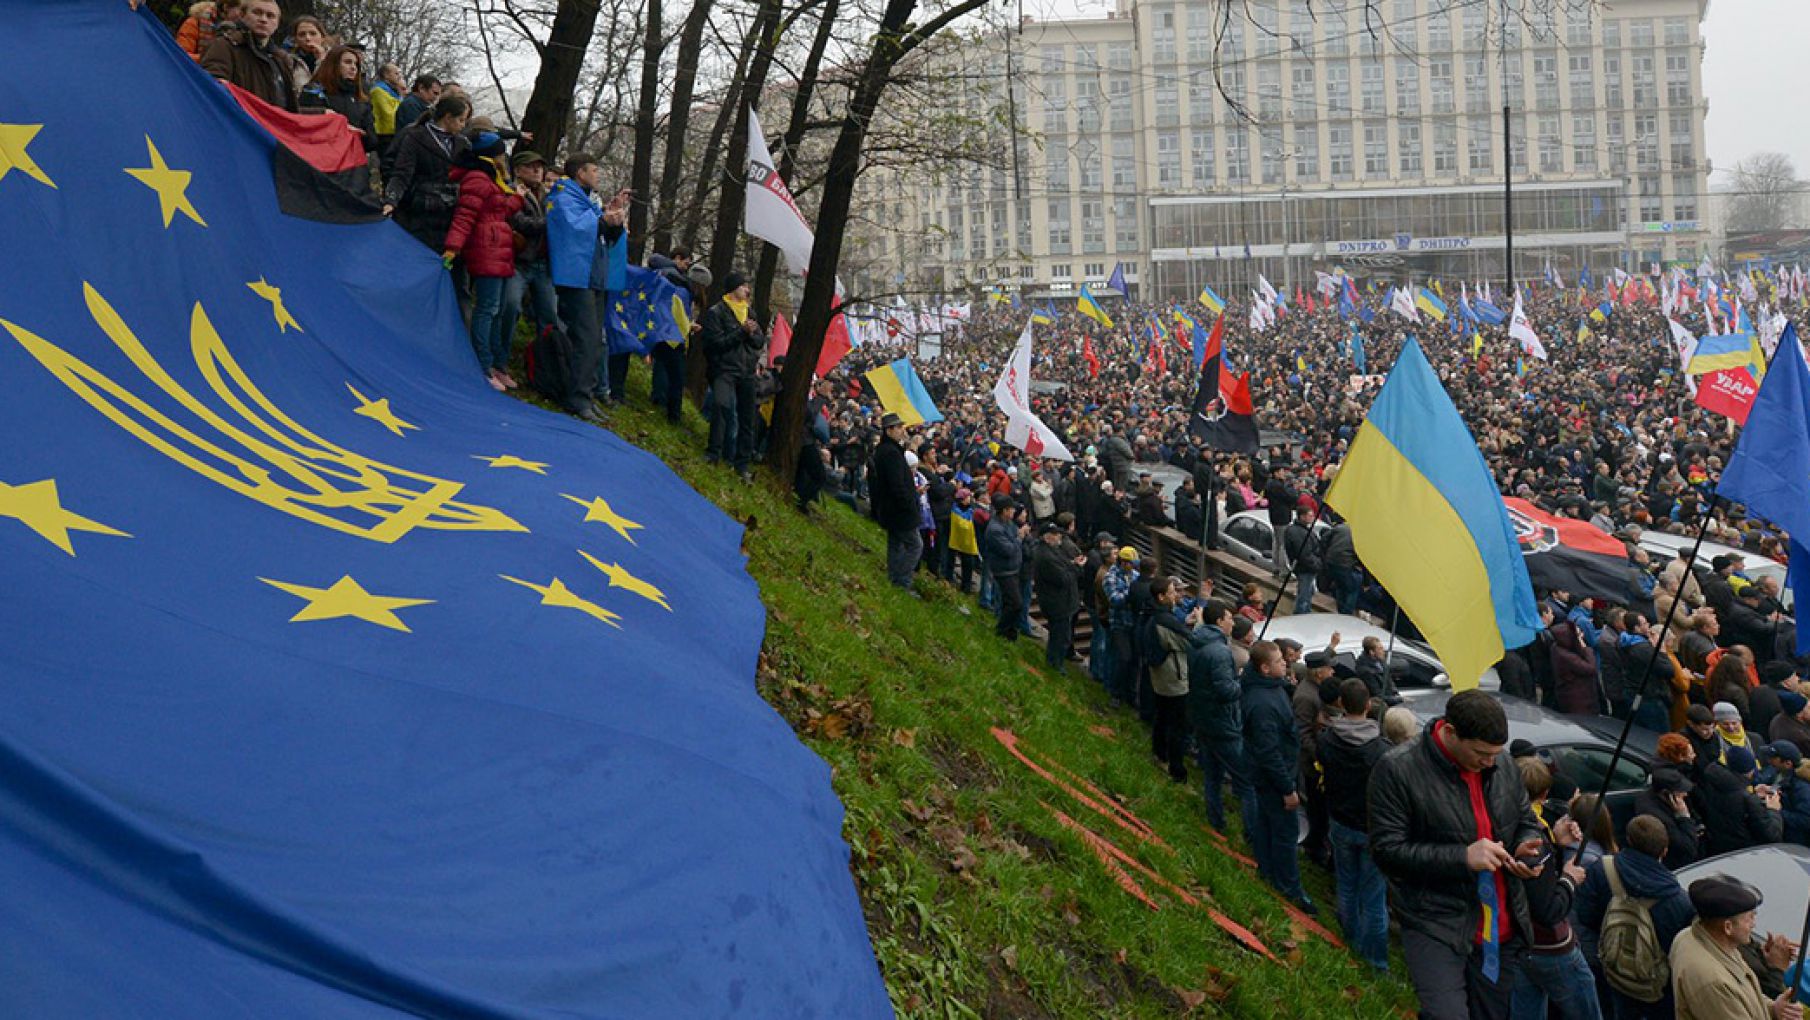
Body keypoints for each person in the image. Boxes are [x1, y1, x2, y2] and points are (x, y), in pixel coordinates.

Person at [1369, 689, 1545, 1019]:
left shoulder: (1503, 763)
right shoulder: (1397, 770)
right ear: (1450, 732)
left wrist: (1527, 845)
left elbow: (1526, 819)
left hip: (1501, 930)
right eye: (1481, 753)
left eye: (1495, 754)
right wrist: (1461, 857)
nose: (1489, 762)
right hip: (1435, 922)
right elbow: (1386, 851)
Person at [1573, 816, 1694, 1019]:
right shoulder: (1679, 900)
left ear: (1628, 840)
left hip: (1613, 971)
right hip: (1656, 987)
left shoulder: (1602, 869)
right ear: (1664, 851)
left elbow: (1585, 915)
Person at [546, 155, 626, 420]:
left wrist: (614, 222)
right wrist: (604, 221)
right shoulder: (563, 197)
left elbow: (602, 235)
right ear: (580, 173)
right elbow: (575, 230)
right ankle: (577, 397)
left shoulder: (586, 200)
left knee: (594, 341)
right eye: (594, 170)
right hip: (575, 278)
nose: (598, 175)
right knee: (586, 338)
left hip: (594, 278)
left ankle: (586, 394)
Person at [1318, 677, 1390, 970]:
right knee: (1374, 899)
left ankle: (1350, 939)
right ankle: (1374, 961)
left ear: (1340, 704)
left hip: (1340, 819)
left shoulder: (1326, 739)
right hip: (1371, 828)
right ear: (1369, 705)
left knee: (1346, 884)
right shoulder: (1381, 751)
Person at [441, 133, 523, 391]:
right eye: (501, 153)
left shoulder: (491, 178)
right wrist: (453, 248)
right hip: (486, 249)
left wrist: (517, 198)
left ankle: (498, 363)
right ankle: (482, 364)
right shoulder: (477, 178)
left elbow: (498, 210)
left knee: (498, 310)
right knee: (487, 308)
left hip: (500, 249)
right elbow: (465, 215)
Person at [1241, 640, 1314, 913]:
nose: (1286, 663)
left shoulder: (1269, 688)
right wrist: (1287, 789)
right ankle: (1289, 888)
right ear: (1264, 667)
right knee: (1284, 832)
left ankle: (1268, 871)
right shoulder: (1263, 705)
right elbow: (1269, 752)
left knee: (1266, 824)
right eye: (1280, 662)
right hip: (1275, 778)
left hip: (1272, 774)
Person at [1671, 875, 1803, 1020]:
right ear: (1728, 927)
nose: (1754, 924)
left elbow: (1744, 996)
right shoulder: (1714, 982)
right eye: (1750, 918)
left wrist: (1774, 1008)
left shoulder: (1694, 937)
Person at [1188, 600, 1249, 833]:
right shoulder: (1221, 652)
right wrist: (1241, 679)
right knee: (1246, 781)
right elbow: (1227, 692)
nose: (1233, 622)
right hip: (1223, 723)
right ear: (1219, 621)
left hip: (1202, 717)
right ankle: (1251, 834)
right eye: (1229, 618)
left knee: (1212, 775)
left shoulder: (1197, 641)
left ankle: (1215, 821)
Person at [383, 95, 471, 251]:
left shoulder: (462, 143)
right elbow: (402, 173)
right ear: (448, 117)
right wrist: (391, 200)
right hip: (420, 212)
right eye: (461, 120)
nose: (463, 126)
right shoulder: (415, 136)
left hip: (450, 214)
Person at [199, 0, 298, 111]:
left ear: (277, 23)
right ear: (242, 16)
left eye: (270, 16)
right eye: (257, 13)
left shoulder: (282, 59)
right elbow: (211, 88)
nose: (263, 19)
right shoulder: (223, 47)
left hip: (274, 126)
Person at [1146, 577, 1193, 782]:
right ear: (1161, 596)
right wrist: (1198, 624)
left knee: (1162, 717)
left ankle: (1159, 753)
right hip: (1174, 679)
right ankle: (1176, 769)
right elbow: (1189, 643)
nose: (1176, 595)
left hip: (1161, 677)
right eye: (1173, 592)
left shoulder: (1153, 614)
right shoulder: (1166, 621)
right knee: (1177, 725)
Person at [868, 413, 921, 591]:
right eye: (898, 428)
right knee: (915, 545)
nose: (901, 431)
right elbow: (896, 484)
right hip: (899, 509)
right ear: (888, 430)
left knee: (896, 544)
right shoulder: (890, 453)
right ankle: (902, 580)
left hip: (891, 508)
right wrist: (907, 503)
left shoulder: (888, 450)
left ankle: (894, 578)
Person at [1629, 766, 1705, 869]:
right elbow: (1687, 848)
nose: (1685, 794)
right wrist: (1684, 816)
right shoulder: (1657, 816)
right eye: (1680, 791)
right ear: (1666, 794)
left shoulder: (1660, 799)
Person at [1031, 522, 1084, 670]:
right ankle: (1055, 664)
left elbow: (1064, 567)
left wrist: (1072, 563)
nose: (1059, 536)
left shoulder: (1052, 550)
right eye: (1055, 534)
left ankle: (1054, 662)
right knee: (1060, 636)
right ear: (1047, 538)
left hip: (1060, 601)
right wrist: (1076, 568)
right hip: (1057, 603)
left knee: (1060, 635)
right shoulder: (1046, 557)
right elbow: (1062, 579)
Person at [310, 46, 375, 155]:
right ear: (333, 64)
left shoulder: (361, 98)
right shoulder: (313, 91)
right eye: (348, 62)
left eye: (356, 64)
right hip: (322, 158)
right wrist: (341, 128)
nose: (353, 67)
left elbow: (372, 139)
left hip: (354, 160)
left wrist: (362, 135)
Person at [982, 498, 1027, 636]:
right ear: (1004, 511)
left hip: (1013, 568)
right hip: (1004, 571)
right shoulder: (995, 529)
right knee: (1015, 604)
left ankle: (1010, 632)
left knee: (1011, 603)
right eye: (1012, 509)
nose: (1014, 511)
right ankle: (1002, 630)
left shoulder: (1008, 523)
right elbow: (1009, 550)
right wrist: (1020, 537)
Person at [1103, 547, 1140, 707]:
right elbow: (1114, 599)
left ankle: (1131, 694)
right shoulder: (1110, 577)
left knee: (1134, 661)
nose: (1133, 567)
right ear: (1123, 563)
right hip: (1119, 623)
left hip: (1134, 622)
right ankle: (1115, 692)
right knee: (1122, 658)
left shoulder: (1136, 576)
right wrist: (1130, 593)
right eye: (1131, 564)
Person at [1282, 503, 1321, 614]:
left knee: (1308, 592)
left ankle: (1305, 613)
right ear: (1302, 516)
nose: (1312, 518)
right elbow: (1304, 555)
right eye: (1310, 515)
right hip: (1305, 569)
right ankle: (1301, 615)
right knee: (1304, 596)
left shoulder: (1301, 530)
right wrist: (1317, 564)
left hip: (1306, 567)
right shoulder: (1298, 533)